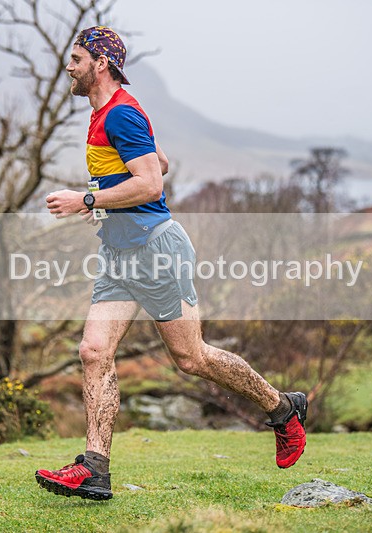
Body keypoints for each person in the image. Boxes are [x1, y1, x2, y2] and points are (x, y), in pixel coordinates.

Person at [38, 26, 307, 501]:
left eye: (77, 58)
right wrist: (108, 204)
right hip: (120, 255)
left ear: (100, 63)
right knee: (93, 352)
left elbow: (152, 185)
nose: (69, 66)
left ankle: (282, 408)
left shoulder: (120, 113)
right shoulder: (108, 112)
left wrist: (87, 198)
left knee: (192, 358)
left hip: (156, 252)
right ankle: (95, 468)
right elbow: (160, 161)